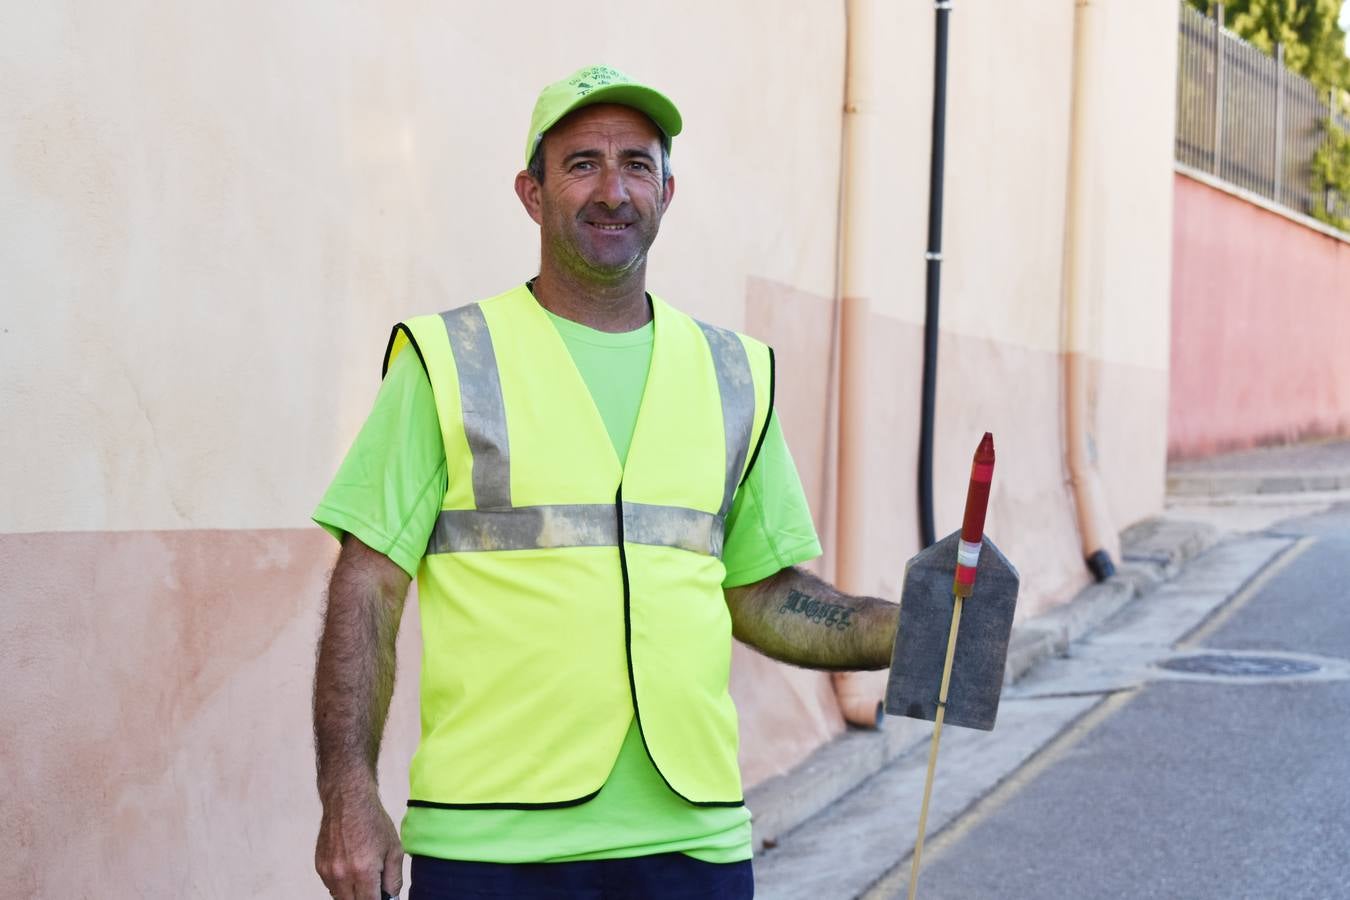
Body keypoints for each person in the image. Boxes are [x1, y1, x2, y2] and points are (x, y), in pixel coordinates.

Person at [312, 64, 900, 900]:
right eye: (583, 163)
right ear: (532, 192)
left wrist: (913, 631)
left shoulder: (735, 373)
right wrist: (346, 794)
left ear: (667, 190)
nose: (613, 190)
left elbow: (763, 594)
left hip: (694, 843)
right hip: (492, 844)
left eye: (636, 165)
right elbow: (366, 584)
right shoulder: (448, 360)